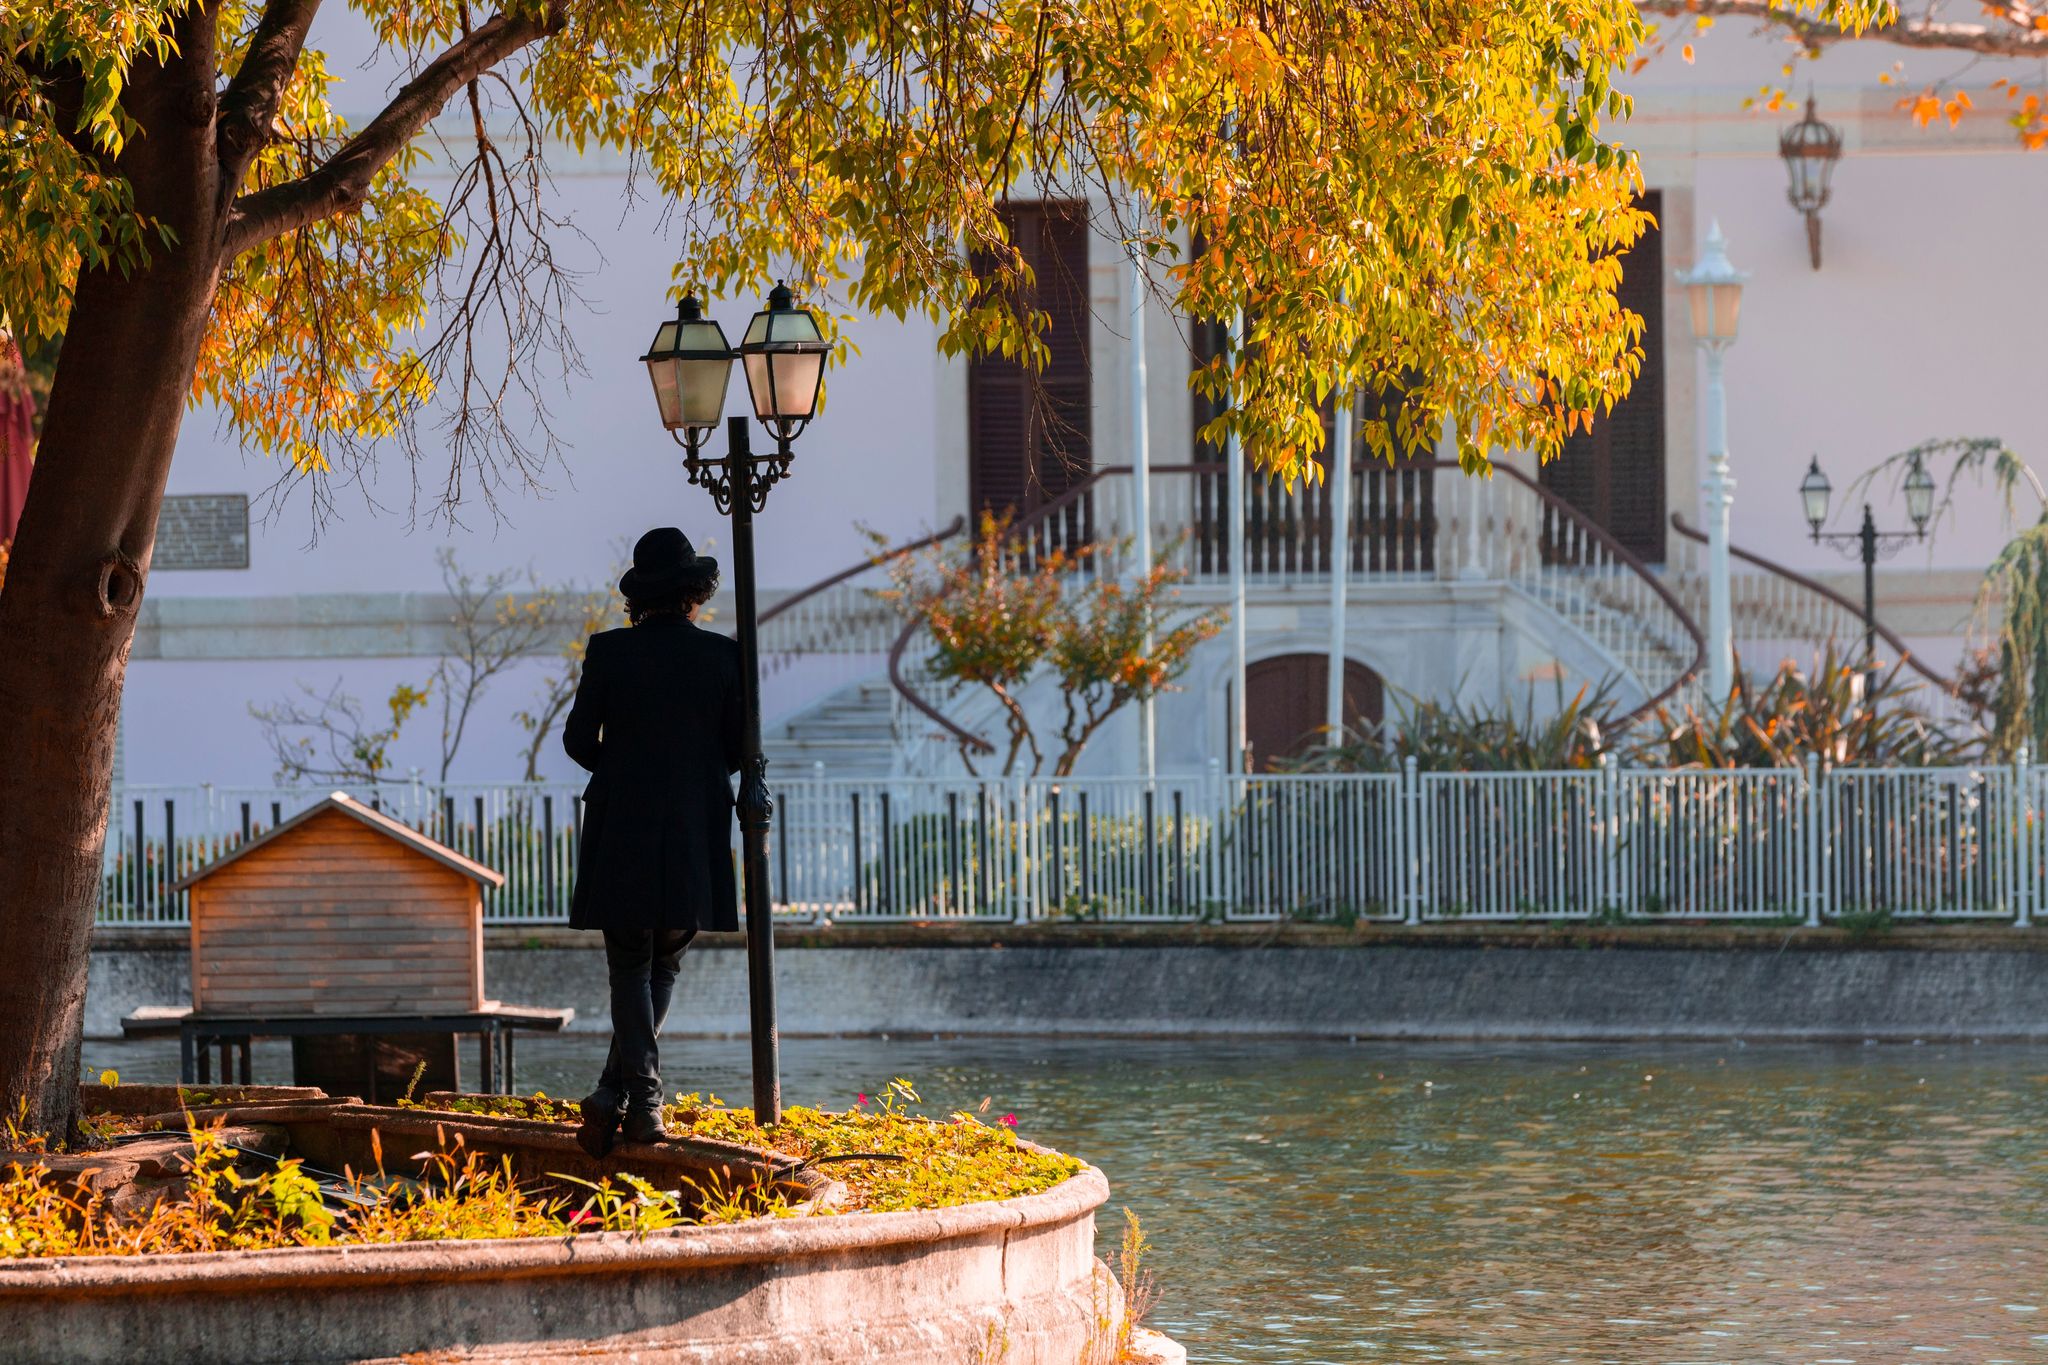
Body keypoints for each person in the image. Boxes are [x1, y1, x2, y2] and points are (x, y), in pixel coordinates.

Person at [563, 527, 742, 1157]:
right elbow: (743, 750)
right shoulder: (725, 657)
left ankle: (629, 1100)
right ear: (694, 593)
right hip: (695, 822)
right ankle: (635, 1102)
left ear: (640, 598)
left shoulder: (609, 652)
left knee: (630, 962)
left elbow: (579, 741)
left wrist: (627, 765)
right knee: (663, 960)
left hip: (625, 823)